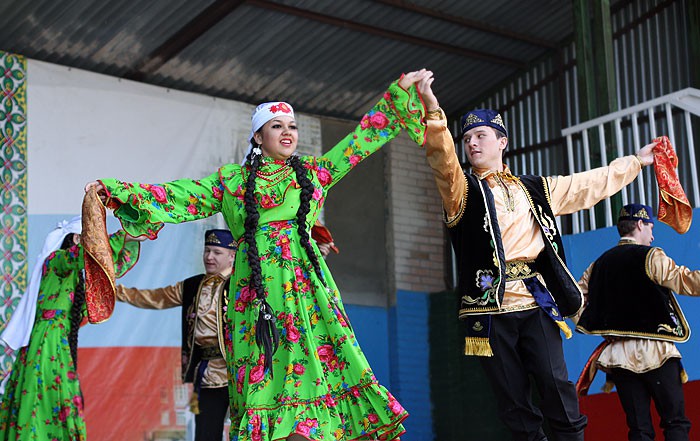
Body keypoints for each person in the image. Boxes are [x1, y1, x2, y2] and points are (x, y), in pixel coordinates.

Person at [84, 69, 431, 440]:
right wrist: (117, 191)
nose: (287, 133)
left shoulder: (313, 174)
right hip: (255, 299)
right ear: (257, 136)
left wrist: (399, 94)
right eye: (276, 125)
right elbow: (179, 195)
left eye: (293, 126)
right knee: (265, 385)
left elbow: (359, 142)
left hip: (306, 296)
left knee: (314, 384)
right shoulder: (231, 181)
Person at [416, 76, 656, 441]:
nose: (471, 143)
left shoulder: (536, 188)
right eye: (466, 139)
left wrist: (636, 162)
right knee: (514, 404)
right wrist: (433, 109)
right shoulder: (460, 191)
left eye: (480, 135)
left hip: (536, 302)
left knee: (558, 390)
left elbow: (587, 185)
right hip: (490, 311)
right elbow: (442, 158)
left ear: (502, 141)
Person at [115, 228, 335, 441]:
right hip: (209, 373)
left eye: (216, 252)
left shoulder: (245, 283)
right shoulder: (193, 285)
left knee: (252, 431)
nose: (209, 257)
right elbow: (156, 297)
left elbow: (287, 283)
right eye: (207, 250)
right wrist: (115, 291)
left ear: (232, 256)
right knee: (206, 433)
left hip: (243, 371)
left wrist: (316, 257)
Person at [0, 218, 140, 441]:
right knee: (43, 397)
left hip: (56, 340)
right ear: (76, 239)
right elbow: (88, 255)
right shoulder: (57, 260)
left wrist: (131, 239)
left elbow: (109, 265)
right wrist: (123, 236)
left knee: (56, 397)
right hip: (47, 341)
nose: (95, 245)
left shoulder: (77, 272)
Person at [576, 203, 698, 441]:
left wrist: (598, 326)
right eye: (651, 227)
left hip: (618, 356)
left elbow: (574, 299)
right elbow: (683, 281)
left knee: (639, 430)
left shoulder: (599, 264)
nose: (652, 235)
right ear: (640, 224)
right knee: (675, 422)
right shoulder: (651, 256)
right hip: (657, 350)